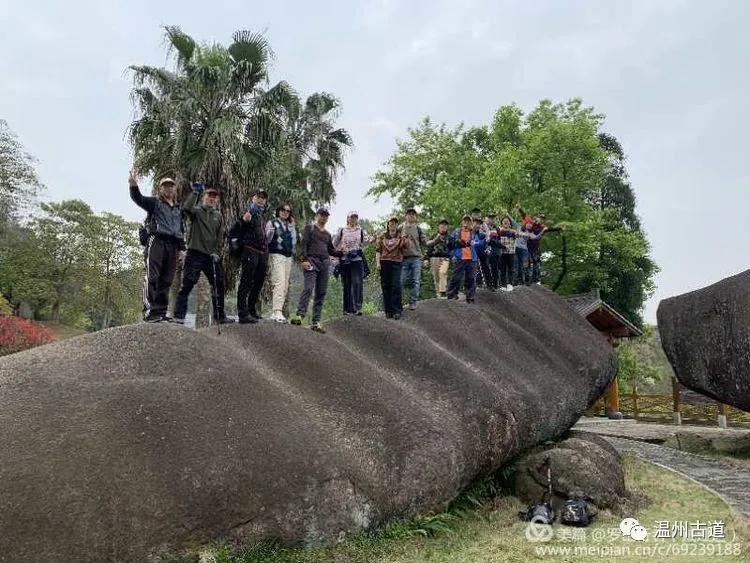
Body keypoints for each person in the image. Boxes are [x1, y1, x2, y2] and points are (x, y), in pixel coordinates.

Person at [173, 183, 234, 325]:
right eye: (209, 196)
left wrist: (217, 252)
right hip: (195, 253)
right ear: (204, 197)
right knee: (188, 284)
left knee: (219, 283)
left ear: (217, 200)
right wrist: (195, 192)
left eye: (214, 197)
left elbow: (219, 237)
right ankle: (179, 316)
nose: (211, 199)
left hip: (211, 256)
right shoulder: (197, 211)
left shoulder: (218, 216)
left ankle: (220, 316)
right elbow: (186, 208)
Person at [129, 169, 184, 322]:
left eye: (171, 186)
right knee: (153, 276)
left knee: (167, 279)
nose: (168, 188)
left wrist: (181, 250)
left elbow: (180, 230)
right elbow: (137, 198)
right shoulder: (155, 203)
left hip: (173, 246)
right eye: (165, 186)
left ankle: (160, 312)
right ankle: (149, 312)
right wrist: (133, 184)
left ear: (175, 189)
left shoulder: (177, 209)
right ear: (160, 189)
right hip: (156, 242)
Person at [291, 208, 342, 332]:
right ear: (317, 216)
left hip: (325, 263)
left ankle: (316, 321)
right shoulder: (310, 229)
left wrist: (341, 253)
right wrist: (304, 259)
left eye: (326, 216)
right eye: (322, 215)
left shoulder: (328, 234)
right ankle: (299, 315)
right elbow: (303, 244)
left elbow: (331, 250)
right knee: (308, 287)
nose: (324, 218)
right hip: (311, 261)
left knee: (321, 292)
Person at [230, 189, 269, 324]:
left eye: (263, 198)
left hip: (261, 252)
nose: (261, 199)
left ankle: (251, 310)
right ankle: (242, 313)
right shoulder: (248, 212)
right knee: (246, 282)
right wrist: (243, 221)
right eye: (258, 197)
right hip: (249, 250)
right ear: (253, 198)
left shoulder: (262, 215)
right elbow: (235, 230)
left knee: (258, 283)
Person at [332, 211, 370, 316]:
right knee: (346, 285)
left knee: (357, 283)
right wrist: (335, 261)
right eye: (351, 217)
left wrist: (373, 238)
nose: (353, 219)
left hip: (357, 259)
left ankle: (358, 307)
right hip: (345, 260)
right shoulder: (341, 231)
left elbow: (366, 241)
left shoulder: (360, 230)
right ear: (347, 218)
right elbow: (333, 246)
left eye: (355, 217)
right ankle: (347, 309)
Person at [265, 203, 297, 323]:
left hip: (288, 257)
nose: (285, 212)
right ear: (278, 211)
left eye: (288, 211)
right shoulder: (272, 222)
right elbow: (266, 239)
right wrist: (270, 233)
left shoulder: (290, 226)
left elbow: (294, 242)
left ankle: (279, 311)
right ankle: (276, 311)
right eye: (283, 210)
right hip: (276, 254)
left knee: (285, 285)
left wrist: (293, 227)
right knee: (279, 282)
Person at [446, 215, 485, 303]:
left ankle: (470, 297)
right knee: (456, 277)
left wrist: (485, 240)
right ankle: (451, 295)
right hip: (459, 258)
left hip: (472, 259)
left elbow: (479, 244)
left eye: (468, 221)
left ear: (471, 223)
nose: (466, 223)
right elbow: (449, 244)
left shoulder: (474, 233)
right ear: (462, 222)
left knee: (471, 279)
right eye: (465, 221)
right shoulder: (456, 231)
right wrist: (451, 255)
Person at [376, 217, 410, 319]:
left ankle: (397, 310)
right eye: (391, 223)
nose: (392, 225)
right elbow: (378, 250)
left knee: (396, 285)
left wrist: (405, 238)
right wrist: (378, 263)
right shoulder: (382, 236)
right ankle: (388, 310)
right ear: (388, 224)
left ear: (397, 225)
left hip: (397, 262)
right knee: (386, 286)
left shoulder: (400, 236)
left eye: (395, 223)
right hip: (384, 262)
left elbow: (406, 246)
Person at [400, 208, 427, 310]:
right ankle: (399, 302)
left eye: (413, 214)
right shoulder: (400, 227)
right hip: (404, 258)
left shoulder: (419, 229)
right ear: (405, 216)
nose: (411, 216)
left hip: (416, 258)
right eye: (409, 214)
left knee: (415, 281)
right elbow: (392, 235)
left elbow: (425, 243)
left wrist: (437, 238)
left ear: (416, 217)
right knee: (401, 281)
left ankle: (413, 302)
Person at [426, 219, 451, 298]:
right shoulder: (433, 236)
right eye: (442, 224)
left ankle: (443, 292)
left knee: (442, 273)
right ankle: (439, 295)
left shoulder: (450, 237)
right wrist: (426, 259)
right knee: (436, 277)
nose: (443, 226)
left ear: (447, 227)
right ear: (438, 226)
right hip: (434, 258)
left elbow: (453, 248)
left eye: (445, 225)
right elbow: (429, 248)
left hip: (445, 258)